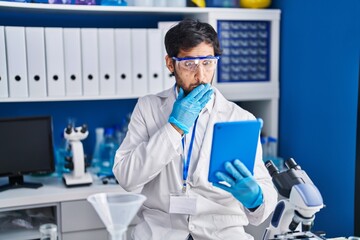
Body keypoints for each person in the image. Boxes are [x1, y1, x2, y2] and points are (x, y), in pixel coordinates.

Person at [113, 18, 277, 240]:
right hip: (161, 233)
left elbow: (261, 204)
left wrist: (256, 199)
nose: (201, 76)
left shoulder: (239, 118)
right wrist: (173, 127)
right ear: (171, 64)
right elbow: (126, 177)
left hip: (221, 234)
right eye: (190, 63)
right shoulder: (148, 107)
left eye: (208, 62)